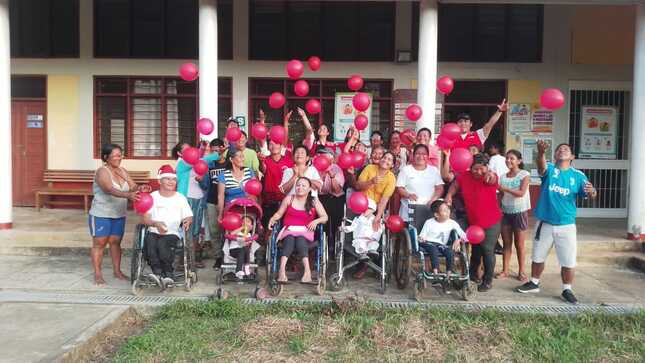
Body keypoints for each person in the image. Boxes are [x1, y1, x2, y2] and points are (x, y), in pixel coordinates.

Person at [516, 142, 597, 304]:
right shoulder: (550, 169)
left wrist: (592, 191)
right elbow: (541, 167)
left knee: (568, 260)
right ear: (554, 155)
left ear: (572, 157)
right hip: (545, 223)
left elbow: (591, 193)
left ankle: (567, 289)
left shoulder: (578, 176)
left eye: (566, 149)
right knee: (538, 256)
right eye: (559, 149)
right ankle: (534, 282)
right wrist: (540, 152)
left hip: (566, 225)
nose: (562, 150)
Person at [89, 144, 148, 285]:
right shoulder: (102, 172)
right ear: (106, 157)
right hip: (101, 214)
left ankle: (117, 271)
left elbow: (133, 186)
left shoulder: (122, 171)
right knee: (99, 244)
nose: (118, 158)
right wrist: (128, 195)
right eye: (115, 155)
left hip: (119, 214)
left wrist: (140, 188)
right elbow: (109, 189)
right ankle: (97, 274)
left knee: (115, 243)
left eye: (120, 154)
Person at [445, 153, 501, 292]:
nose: (479, 172)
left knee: (487, 250)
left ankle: (487, 280)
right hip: (473, 221)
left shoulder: (490, 176)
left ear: (487, 167)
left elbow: (492, 179)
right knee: (476, 251)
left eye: (482, 168)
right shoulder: (464, 176)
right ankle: (472, 275)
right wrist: (449, 195)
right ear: (470, 168)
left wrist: (490, 175)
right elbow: (455, 185)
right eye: (475, 169)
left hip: (490, 222)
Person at [268, 177, 328, 284]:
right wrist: (272, 218)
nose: (300, 187)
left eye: (303, 185)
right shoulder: (289, 199)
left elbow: (325, 217)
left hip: (305, 232)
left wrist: (316, 221)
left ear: (309, 189)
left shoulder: (314, 201)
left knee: (300, 239)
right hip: (289, 230)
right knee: (289, 239)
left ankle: (307, 272)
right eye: (298, 185)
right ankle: (281, 271)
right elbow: (279, 214)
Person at [142, 165, 193, 287]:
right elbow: (145, 218)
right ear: (160, 181)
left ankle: (168, 273)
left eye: (173, 179)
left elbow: (188, 215)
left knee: (163, 244)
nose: (171, 182)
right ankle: (158, 273)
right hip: (154, 230)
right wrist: (155, 223)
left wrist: (187, 220)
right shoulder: (152, 197)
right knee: (150, 243)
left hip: (172, 233)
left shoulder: (180, 198)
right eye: (167, 179)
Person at [353, 152, 396, 279]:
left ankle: (365, 262)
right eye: (384, 157)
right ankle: (363, 258)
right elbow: (358, 186)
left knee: (376, 226)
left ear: (392, 165)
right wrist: (371, 182)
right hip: (360, 205)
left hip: (376, 209)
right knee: (363, 223)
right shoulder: (370, 168)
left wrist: (378, 218)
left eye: (389, 160)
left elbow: (384, 200)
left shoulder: (391, 178)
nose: (386, 160)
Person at [496, 149, 531, 281]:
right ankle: (505, 270)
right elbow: (500, 195)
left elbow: (521, 193)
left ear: (519, 161)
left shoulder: (524, 174)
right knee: (506, 243)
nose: (508, 161)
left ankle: (521, 271)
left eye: (512, 158)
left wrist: (504, 189)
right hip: (505, 212)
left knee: (519, 243)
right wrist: (497, 207)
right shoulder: (503, 177)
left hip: (520, 212)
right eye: (507, 158)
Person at [396, 144, 444, 225]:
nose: (421, 156)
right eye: (418, 153)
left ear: (428, 156)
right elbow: (399, 188)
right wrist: (408, 195)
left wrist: (433, 199)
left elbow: (440, 188)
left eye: (424, 154)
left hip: (430, 209)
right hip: (410, 211)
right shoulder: (406, 170)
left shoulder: (434, 170)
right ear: (413, 155)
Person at [418, 200, 467, 276]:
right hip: (428, 242)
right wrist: (421, 239)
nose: (447, 212)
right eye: (444, 210)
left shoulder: (452, 223)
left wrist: (459, 240)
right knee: (433, 249)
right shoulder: (429, 222)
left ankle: (449, 273)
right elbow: (422, 236)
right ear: (436, 215)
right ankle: (435, 272)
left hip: (441, 245)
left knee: (450, 252)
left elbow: (465, 236)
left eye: (448, 209)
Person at [261, 139, 294, 236]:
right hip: (269, 200)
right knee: (269, 229)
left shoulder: (289, 161)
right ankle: (268, 247)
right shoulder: (265, 160)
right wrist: (261, 162)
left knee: (284, 229)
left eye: (276, 143)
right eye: (271, 144)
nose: (274, 146)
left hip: (285, 200)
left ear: (281, 146)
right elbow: (263, 171)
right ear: (268, 147)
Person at [316, 147, 345, 254]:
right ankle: (322, 245)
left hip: (335, 197)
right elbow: (317, 189)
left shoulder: (336, 168)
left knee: (336, 221)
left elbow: (337, 190)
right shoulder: (314, 168)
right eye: (320, 155)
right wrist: (322, 176)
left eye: (324, 155)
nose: (321, 158)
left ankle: (335, 245)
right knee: (323, 223)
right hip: (322, 197)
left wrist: (331, 176)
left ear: (331, 159)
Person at [216, 150, 257, 224]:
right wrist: (220, 214)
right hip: (231, 210)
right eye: (240, 156)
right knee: (231, 231)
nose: (243, 159)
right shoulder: (223, 175)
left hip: (248, 210)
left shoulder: (249, 172)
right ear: (231, 159)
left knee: (247, 227)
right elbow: (220, 196)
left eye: (243, 156)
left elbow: (255, 192)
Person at [205, 138, 227, 268]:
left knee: (227, 231)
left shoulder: (229, 164)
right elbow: (204, 184)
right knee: (214, 230)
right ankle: (218, 257)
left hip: (226, 202)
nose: (216, 154)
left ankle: (228, 256)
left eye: (218, 151)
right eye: (213, 152)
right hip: (211, 201)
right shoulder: (209, 165)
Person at [227, 216, 255, 280]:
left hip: (244, 252)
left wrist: (246, 241)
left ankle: (246, 267)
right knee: (242, 248)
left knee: (246, 248)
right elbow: (231, 234)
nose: (245, 223)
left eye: (248, 222)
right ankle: (238, 270)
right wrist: (242, 227)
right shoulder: (237, 231)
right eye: (244, 222)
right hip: (234, 251)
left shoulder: (249, 235)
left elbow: (247, 244)